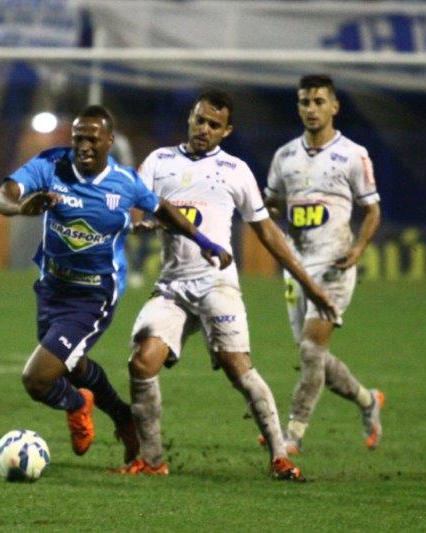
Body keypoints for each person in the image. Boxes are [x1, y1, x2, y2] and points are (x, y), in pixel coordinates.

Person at [116, 89, 337, 481]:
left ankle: (280, 456)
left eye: (214, 125)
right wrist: (142, 220)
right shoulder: (159, 161)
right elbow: (134, 204)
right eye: (200, 120)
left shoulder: (235, 171)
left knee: (240, 370)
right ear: (190, 118)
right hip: (171, 286)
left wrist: (309, 284)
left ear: (226, 131)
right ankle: (151, 461)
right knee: (141, 362)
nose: (204, 129)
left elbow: (267, 232)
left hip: (216, 284)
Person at [0, 105, 231, 464]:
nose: (85, 146)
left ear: (109, 141)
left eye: (93, 139)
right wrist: (22, 207)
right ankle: (123, 417)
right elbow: (2, 197)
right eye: (78, 139)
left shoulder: (125, 182)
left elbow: (163, 209)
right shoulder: (50, 165)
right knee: (72, 365)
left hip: (93, 295)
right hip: (51, 287)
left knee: (38, 379)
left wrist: (205, 241)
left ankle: (77, 403)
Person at [263, 74, 384, 455]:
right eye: (304, 102)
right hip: (297, 269)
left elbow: (372, 210)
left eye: (319, 101)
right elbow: (271, 204)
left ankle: (292, 434)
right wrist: (269, 212)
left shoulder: (353, 154)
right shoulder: (284, 156)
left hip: (335, 266)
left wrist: (360, 248)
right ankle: (368, 400)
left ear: (334, 106)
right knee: (313, 355)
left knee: (311, 352)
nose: (311, 109)